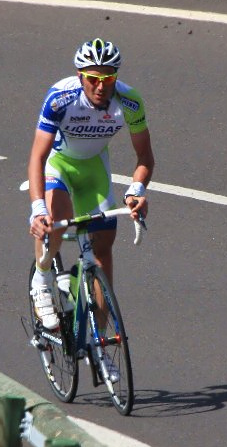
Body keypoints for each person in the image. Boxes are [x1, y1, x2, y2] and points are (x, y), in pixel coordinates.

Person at [27, 38, 154, 379]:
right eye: (93, 78)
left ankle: (99, 344)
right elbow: (37, 157)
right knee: (54, 224)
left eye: (108, 78)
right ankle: (41, 280)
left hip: (95, 171)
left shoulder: (129, 100)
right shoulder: (61, 98)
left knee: (102, 251)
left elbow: (145, 157)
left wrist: (137, 190)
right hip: (59, 166)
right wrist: (38, 209)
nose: (101, 86)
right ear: (80, 76)